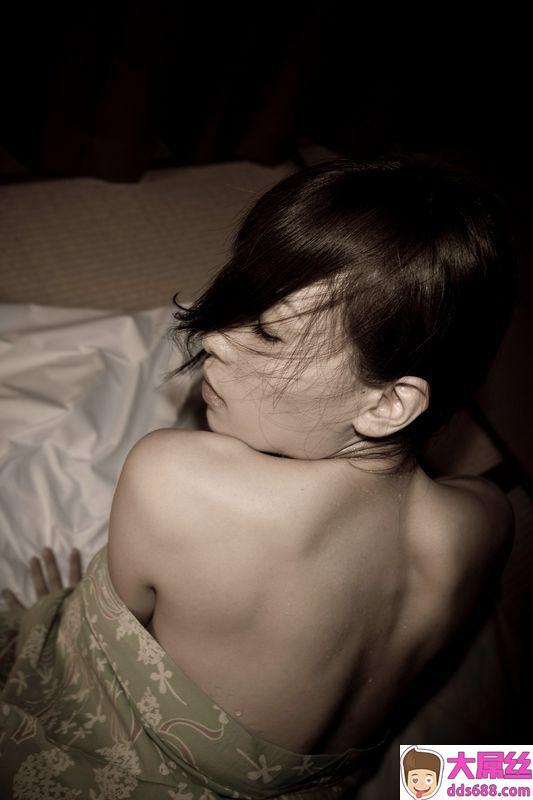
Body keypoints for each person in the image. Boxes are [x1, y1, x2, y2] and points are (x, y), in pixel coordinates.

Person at [0, 155, 516, 798]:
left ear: (389, 404)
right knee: (490, 772)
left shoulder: (175, 480)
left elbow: (96, 648)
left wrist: (58, 624)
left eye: (268, 334)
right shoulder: (486, 520)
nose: (214, 338)